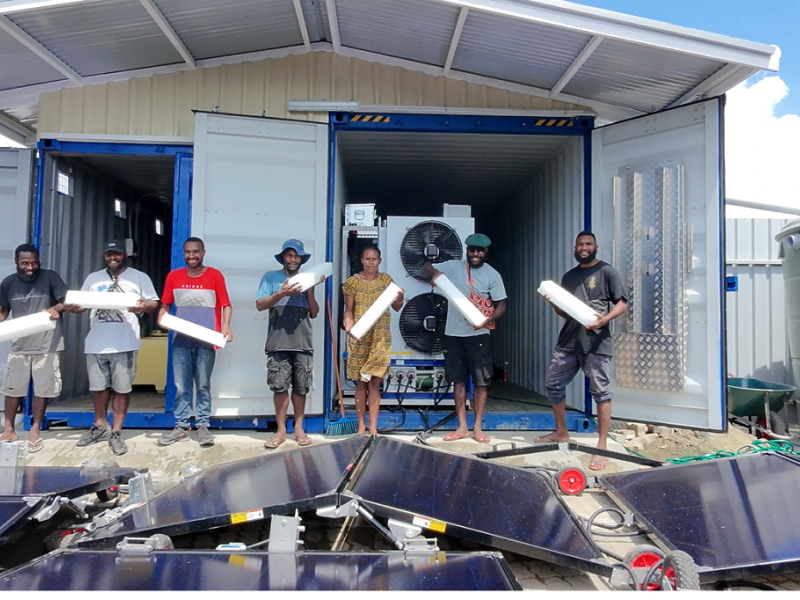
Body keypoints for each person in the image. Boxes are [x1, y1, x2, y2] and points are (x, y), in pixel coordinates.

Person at [536, 231, 628, 471]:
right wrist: (553, 301)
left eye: (588, 244)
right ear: (575, 248)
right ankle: (561, 432)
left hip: (597, 343)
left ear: (596, 246)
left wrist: (604, 319)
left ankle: (602, 444)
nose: (584, 247)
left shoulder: (607, 272)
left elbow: (622, 303)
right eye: (580, 244)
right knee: (553, 384)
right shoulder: (569, 276)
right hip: (569, 342)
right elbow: (565, 312)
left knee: (601, 392)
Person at [65, 240, 159, 456]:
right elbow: (81, 304)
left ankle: (116, 431)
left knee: (122, 388)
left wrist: (142, 306)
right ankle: (100, 426)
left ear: (125, 254)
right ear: (104, 256)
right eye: (109, 254)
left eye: (116, 254)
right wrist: (74, 308)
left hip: (124, 342)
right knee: (98, 388)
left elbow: (154, 303)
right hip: (96, 342)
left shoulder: (139, 277)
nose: (112, 258)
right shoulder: (93, 278)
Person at [422, 233, 506, 444]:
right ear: (467, 251)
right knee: (457, 381)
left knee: (481, 382)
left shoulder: (492, 275)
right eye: (472, 250)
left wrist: (485, 321)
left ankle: (477, 427)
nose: (475, 254)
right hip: (453, 334)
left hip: (479, 335)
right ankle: (462, 427)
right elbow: (426, 266)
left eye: (480, 250)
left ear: (486, 252)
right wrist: (434, 274)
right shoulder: (453, 267)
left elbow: (501, 305)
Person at [157, 237, 232, 448]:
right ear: (183, 253)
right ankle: (181, 425)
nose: (192, 256)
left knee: (203, 384)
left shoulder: (215, 275)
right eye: (188, 252)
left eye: (196, 251)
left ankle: (203, 425)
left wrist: (226, 327)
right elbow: (165, 304)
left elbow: (226, 305)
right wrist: (161, 317)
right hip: (181, 339)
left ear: (203, 252)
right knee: (181, 385)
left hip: (207, 340)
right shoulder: (174, 277)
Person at [256, 239, 323, 450]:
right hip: (277, 342)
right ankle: (281, 430)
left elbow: (314, 312)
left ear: (301, 259)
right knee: (279, 386)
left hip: (303, 342)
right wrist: (281, 294)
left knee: (301, 387)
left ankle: (299, 428)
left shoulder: (307, 280)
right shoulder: (270, 277)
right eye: (289, 255)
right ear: (283, 257)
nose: (293, 260)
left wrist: (310, 290)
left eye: (297, 256)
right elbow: (259, 305)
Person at [0, 244, 67, 452]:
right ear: (16, 262)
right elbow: (3, 312)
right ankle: (8, 429)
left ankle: (35, 429)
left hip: (47, 343)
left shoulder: (50, 277)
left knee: (42, 389)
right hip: (19, 343)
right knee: (13, 388)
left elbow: (66, 303)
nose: (30, 267)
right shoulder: (8, 283)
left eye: (34, 262)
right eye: (25, 263)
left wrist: (56, 309)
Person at [342, 246, 404, 436]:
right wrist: (349, 329)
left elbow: (396, 307)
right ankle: (361, 425)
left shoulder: (386, 281)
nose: (370, 262)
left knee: (375, 383)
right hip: (360, 337)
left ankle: (374, 427)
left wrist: (400, 297)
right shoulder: (352, 282)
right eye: (367, 259)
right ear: (361, 260)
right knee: (361, 383)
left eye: (374, 259)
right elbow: (349, 311)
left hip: (380, 338)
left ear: (380, 261)